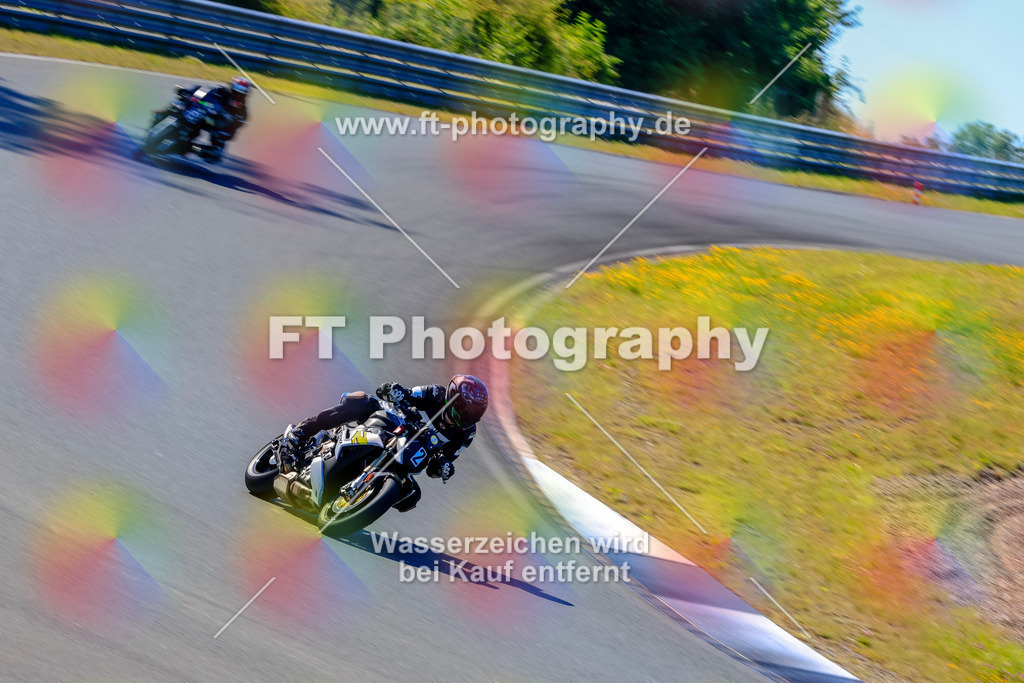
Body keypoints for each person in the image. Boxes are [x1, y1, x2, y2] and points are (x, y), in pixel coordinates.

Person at [274, 375, 488, 512]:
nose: (470, 416)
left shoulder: (467, 434)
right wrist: (396, 390)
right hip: (392, 424)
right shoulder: (436, 394)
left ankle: (364, 497)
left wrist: (444, 468)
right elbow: (397, 393)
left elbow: (437, 467)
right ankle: (300, 433)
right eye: (468, 409)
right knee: (362, 402)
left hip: (409, 453)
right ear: (455, 400)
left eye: (476, 413)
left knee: (411, 497)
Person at [151, 75, 250, 162]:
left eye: (241, 95)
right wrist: (189, 93)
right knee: (180, 102)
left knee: (214, 156)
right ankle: (163, 114)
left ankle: (189, 148)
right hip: (201, 114)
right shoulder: (221, 91)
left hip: (215, 127)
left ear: (245, 96)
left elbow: (232, 131)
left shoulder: (242, 114)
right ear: (231, 90)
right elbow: (203, 90)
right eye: (236, 93)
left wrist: (221, 132)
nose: (238, 96)